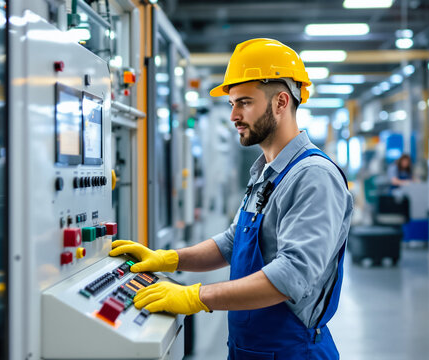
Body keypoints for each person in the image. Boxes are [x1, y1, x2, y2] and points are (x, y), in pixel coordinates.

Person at [110, 38, 353, 359]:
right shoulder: (265, 171)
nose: (234, 115)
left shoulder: (313, 176)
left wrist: (195, 296)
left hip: (292, 352)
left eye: (245, 102)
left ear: (281, 102)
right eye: (232, 104)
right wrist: (169, 259)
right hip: (249, 349)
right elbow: (233, 241)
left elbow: (291, 276)